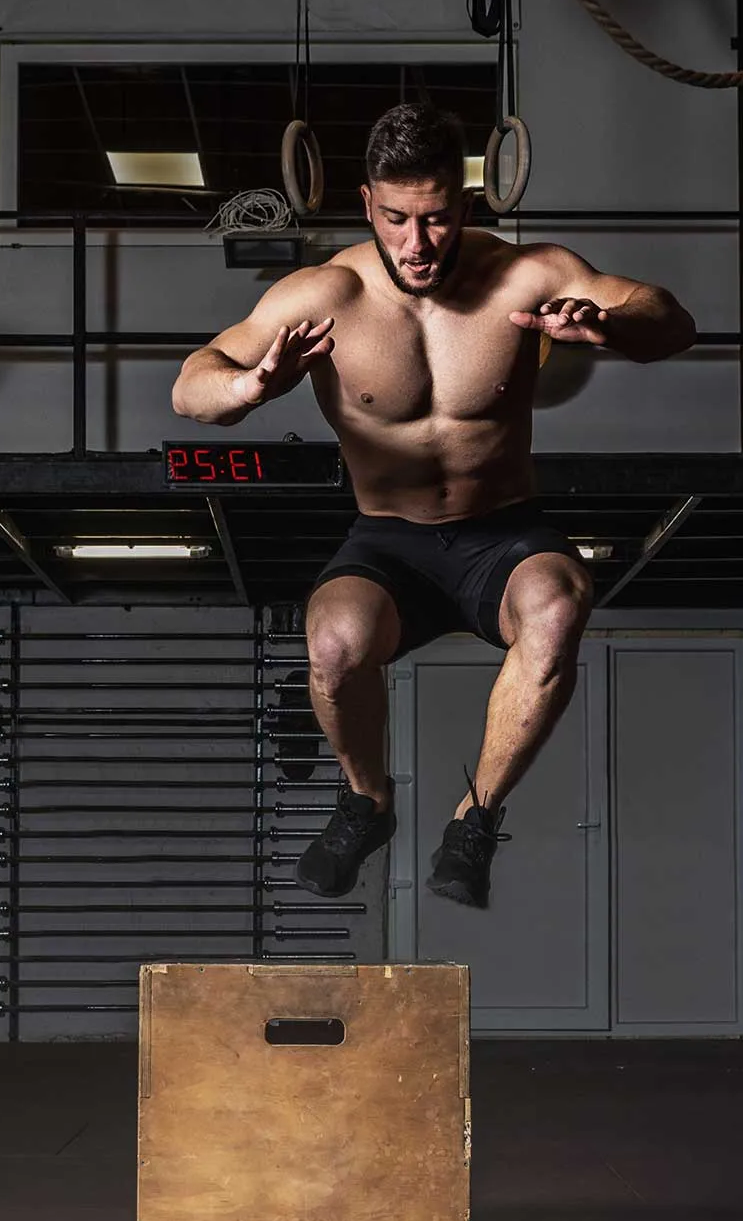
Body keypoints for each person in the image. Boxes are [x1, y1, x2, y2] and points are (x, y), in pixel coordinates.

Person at [171, 102, 697, 908]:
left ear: (467, 202)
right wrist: (248, 387)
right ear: (366, 204)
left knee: (559, 608)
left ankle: (475, 818)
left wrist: (610, 327)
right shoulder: (324, 292)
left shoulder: (528, 273)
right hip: (390, 540)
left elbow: (671, 320)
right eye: (397, 219)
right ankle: (365, 800)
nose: (418, 243)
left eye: (438, 218)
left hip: (505, 533)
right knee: (334, 647)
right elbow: (190, 388)